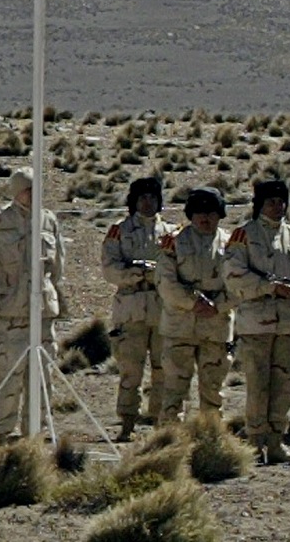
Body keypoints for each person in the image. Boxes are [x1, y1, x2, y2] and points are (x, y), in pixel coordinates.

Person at [225, 179, 290, 463]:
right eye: (271, 202)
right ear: (259, 205)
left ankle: (277, 441)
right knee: (259, 384)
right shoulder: (243, 236)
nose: (277, 207)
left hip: (289, 322)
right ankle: (255, 442)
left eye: (281, 202)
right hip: (257, 322)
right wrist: (269, 287)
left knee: (286, 384)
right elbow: (233, 274)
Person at [0, 166, 65, 438]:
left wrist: (47, 291)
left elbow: (57, 267)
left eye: (36, 190)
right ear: (16, 192)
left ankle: (32, 440)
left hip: (42, 317)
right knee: (8, 381)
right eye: (27, 190)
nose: (33, 195)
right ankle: (2, 438)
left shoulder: (49, 221)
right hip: (10, 319)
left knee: (41, 382)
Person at [101, 176, 171, 440]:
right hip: (130, 306)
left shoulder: (170, 233)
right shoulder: (119, 231)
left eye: (152, 197)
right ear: (133, 201)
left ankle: (161, 423)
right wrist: (135, 273)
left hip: (163, 307)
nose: (147, 202)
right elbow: (109, 269)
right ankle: (127, 422)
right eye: (142, 197)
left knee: (164, 369)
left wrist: (157, 275)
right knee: (131, 369)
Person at [157, 186, 233, 425]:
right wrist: (193, 303)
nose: (205, 217)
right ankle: (170, 444)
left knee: (212, 391)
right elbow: (165, 281)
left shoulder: (232, 244)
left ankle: (211, 440)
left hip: (216, 327)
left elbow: (241, 283)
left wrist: (218, 305)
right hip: (180, 326)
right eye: (199, 211)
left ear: (220, 214)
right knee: (174, 390)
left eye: (211, 211)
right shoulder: (174, 242)